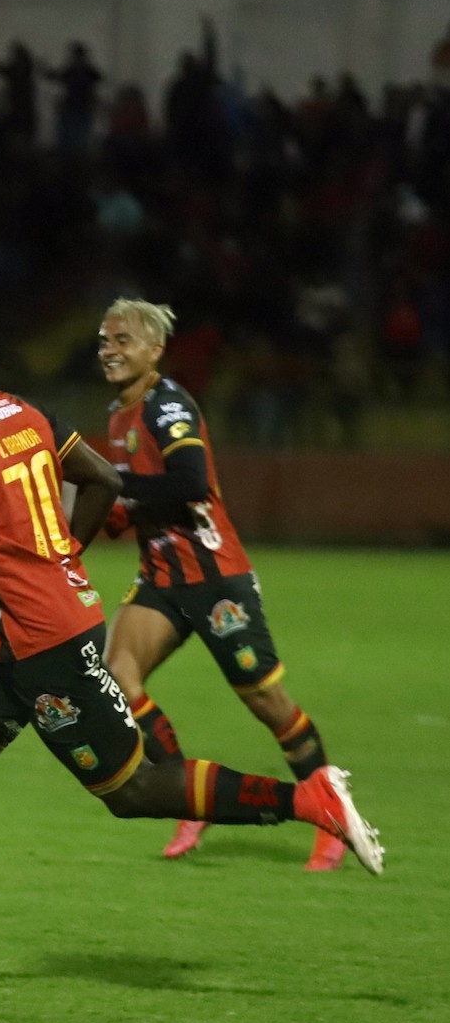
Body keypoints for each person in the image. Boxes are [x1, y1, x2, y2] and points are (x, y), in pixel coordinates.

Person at [0, 303, 382, 979]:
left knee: (133, 789)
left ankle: (308, 799)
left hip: (40, 637)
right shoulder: (18, 408)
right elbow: (103, 479)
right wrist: (62, 556)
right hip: (31, 623)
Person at [96, 299, 354, 871]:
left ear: (154, 349)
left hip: (215, 580)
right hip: (160, 578)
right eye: (104, 340)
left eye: (122, 340)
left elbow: (188, 481)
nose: (109, 349)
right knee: (119, 678)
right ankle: (190, 801)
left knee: (266, 700)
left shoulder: (168, 406)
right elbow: (138, 493)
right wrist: (115, 512)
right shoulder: (118, 415)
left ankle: (332, 811)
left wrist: (118, 490)